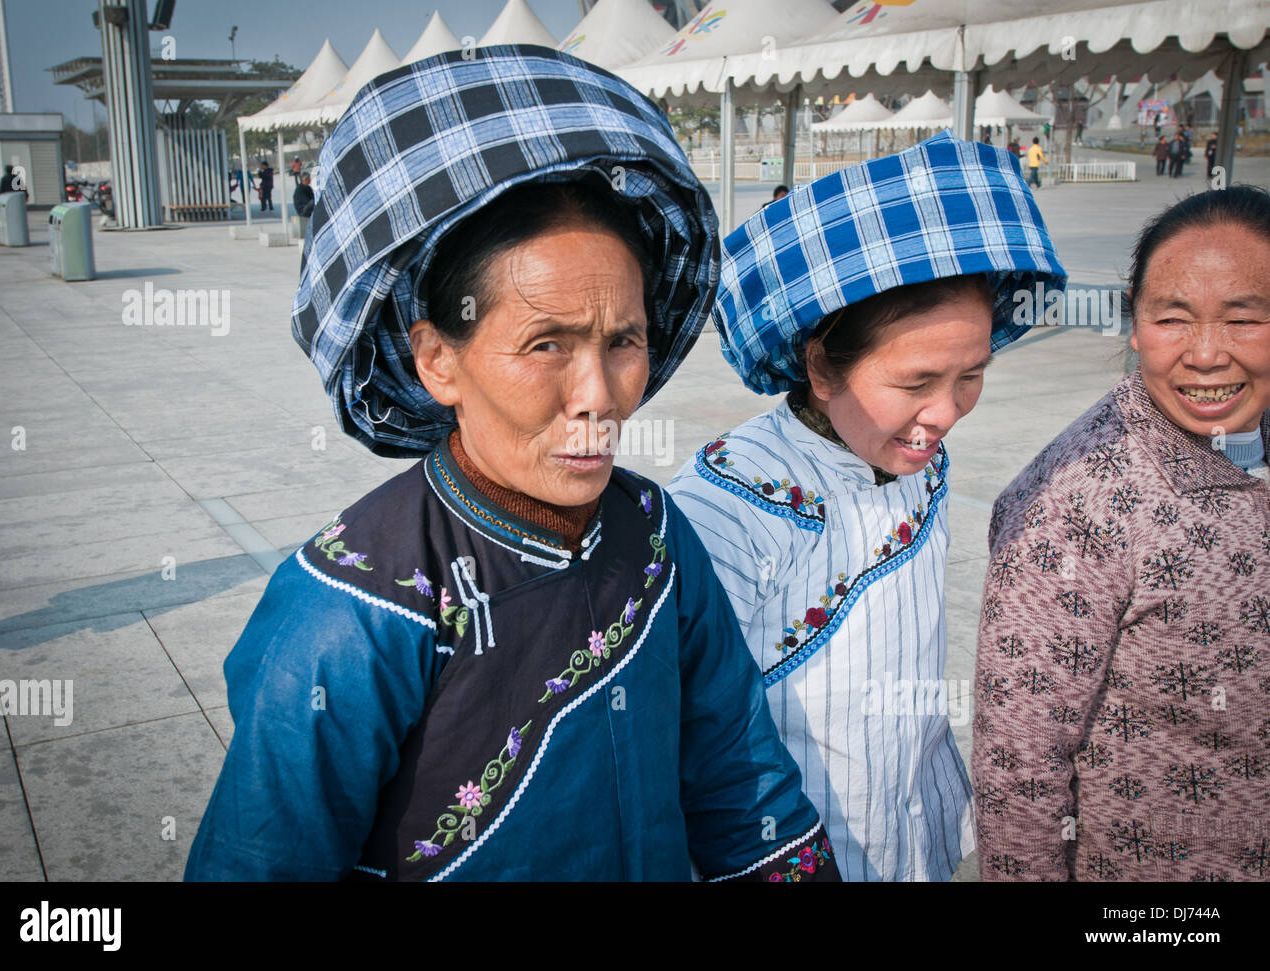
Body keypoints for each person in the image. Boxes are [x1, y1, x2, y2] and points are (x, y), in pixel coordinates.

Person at [185, 45, 837, 883]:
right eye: (545, 345)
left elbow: (739, 783)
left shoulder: (656, 536)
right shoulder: (352, 607)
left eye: (623, 340)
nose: (598, 395)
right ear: (438, 361)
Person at [667, 132, 1067, 881]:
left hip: (920, 840)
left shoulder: (920, 463)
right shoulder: (727, 506)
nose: (946, 412)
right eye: (916, 383)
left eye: (971, 375)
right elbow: (686, 735)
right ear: (820, 365)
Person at [973, 185, 1270, 881]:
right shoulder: (1076, 504)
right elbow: (1020, 772)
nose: (1205, 354)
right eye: (1173, 318)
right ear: (1132, 319)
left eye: (1243, 319)